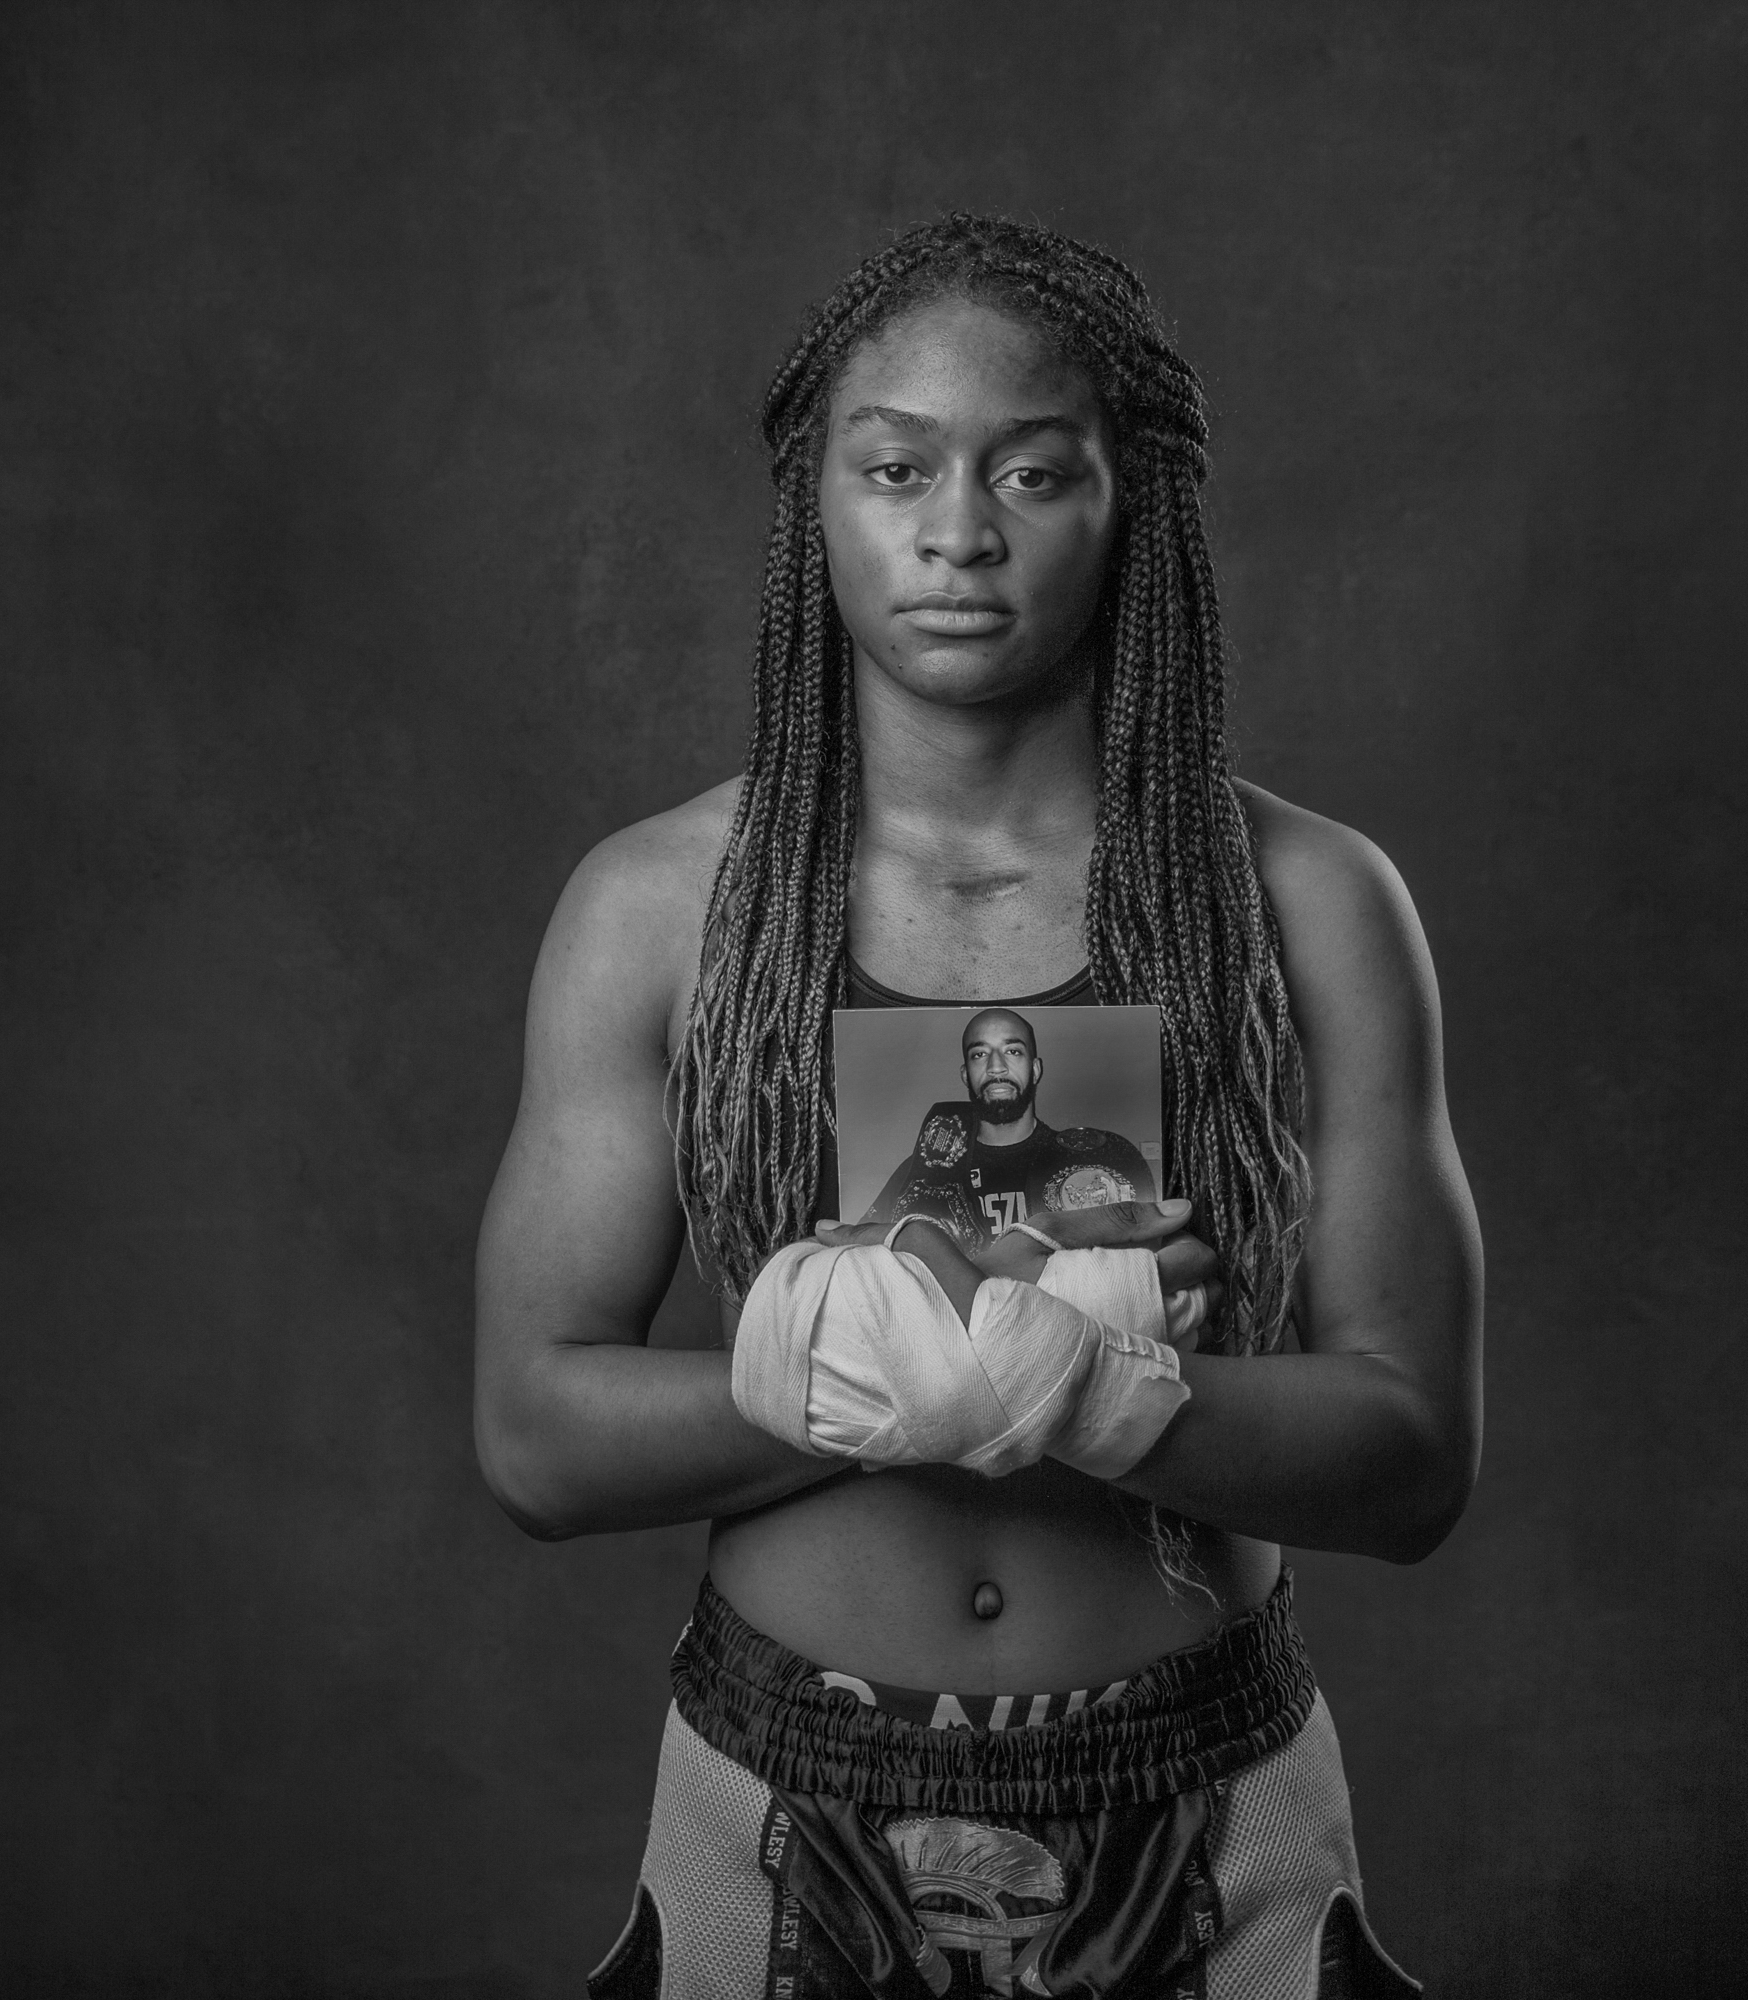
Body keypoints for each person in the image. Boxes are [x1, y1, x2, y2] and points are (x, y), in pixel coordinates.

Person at [474, 213, 1482, 1997]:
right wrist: (920, 1370)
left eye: (1031, 470)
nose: (958, 532)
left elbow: (1413, 1459)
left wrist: (1099, 1392)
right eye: (896, 470)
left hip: (1210, 1806)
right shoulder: (656, 908)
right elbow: (534, 1437)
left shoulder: (1311, 904)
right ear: (816, 504)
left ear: (1127, 502)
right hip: (779, 1804)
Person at [857, 1006, 1156, 1250]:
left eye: (1012, 1051)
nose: (996, 1067)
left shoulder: (1089, 1165)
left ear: (1035, 1070)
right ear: (965, 1074)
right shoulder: (926, 1170)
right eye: (979, 1054)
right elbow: (862, 1254)